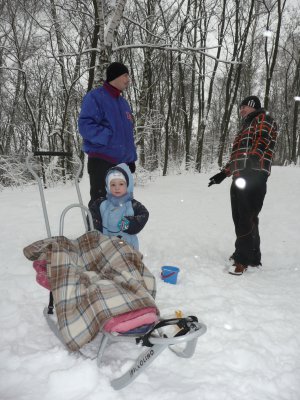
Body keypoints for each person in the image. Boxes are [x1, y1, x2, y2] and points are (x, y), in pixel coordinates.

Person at [208, 95, 278, 275]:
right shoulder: (244, 127)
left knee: (246, 217)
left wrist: (254, 158)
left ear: (253, 106)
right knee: (242, 217)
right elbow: (237, 155)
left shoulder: (263, 119)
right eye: (240, 108)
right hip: (240, 175)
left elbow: (263, 138)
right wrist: (223, 174)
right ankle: (252, 255)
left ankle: (242, 259)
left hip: (254, 174)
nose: (241, 111)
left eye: (244, 107)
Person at [78, 62, 137, 206]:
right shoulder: (96, 97)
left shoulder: (123, 103)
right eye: (125, 75)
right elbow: (85, 125)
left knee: (121, 204)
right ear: (115, 76)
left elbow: (126, 134)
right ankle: (94, 229)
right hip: (101, 161)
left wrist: (130, 159)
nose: (128, 79)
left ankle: (117, 230)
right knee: (101, 205)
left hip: (122, 164)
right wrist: (108, 138)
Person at [89, 163, 149, 251]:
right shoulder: (102, 203)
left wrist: (130, 223)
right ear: (108, 187)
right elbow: (92, 213)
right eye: (113, 185)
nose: (117, 188)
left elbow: (144, 215)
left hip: (129, 248)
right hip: (107, 247)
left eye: (121, 184)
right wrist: (96, 226)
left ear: (128, 185)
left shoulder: (132, 204)